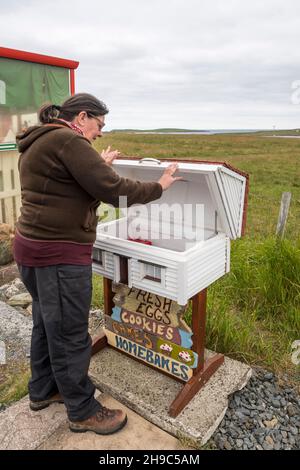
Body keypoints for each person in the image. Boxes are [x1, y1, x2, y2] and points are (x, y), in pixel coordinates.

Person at [13, 93, 181, 435]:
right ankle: (82, 410)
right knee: (71, 334)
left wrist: (98, 164)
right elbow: (113, 190)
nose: (100, 133)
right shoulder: (68, 141)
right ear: (83, 117)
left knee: (47, 325)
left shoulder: (43, 139)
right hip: (58, 255)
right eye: (99, 125)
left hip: (31, 250)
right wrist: (160, 186)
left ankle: (43, 391)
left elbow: (71, 185)